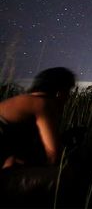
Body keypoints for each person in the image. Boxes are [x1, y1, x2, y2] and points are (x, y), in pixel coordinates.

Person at [0, 67, 77, 205]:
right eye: (68, 92)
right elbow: (53, 156)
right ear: (60, 92)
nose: (69, 98)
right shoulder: (42, 104)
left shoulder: (21, 100)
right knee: (64, 176)